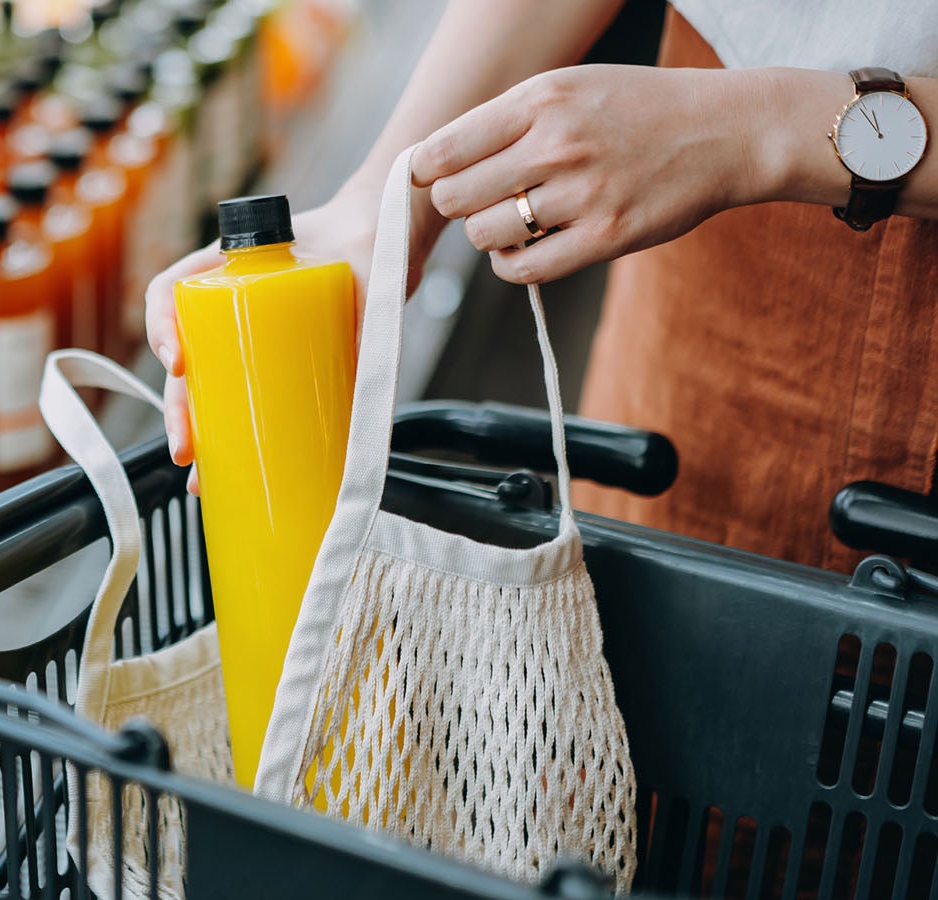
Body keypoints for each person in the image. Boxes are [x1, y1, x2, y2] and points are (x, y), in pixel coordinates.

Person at [145, 0, 938, 572]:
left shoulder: (728, 133)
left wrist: (751, 131)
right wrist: (387, 203)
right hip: (713, 229)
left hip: (751, 145)